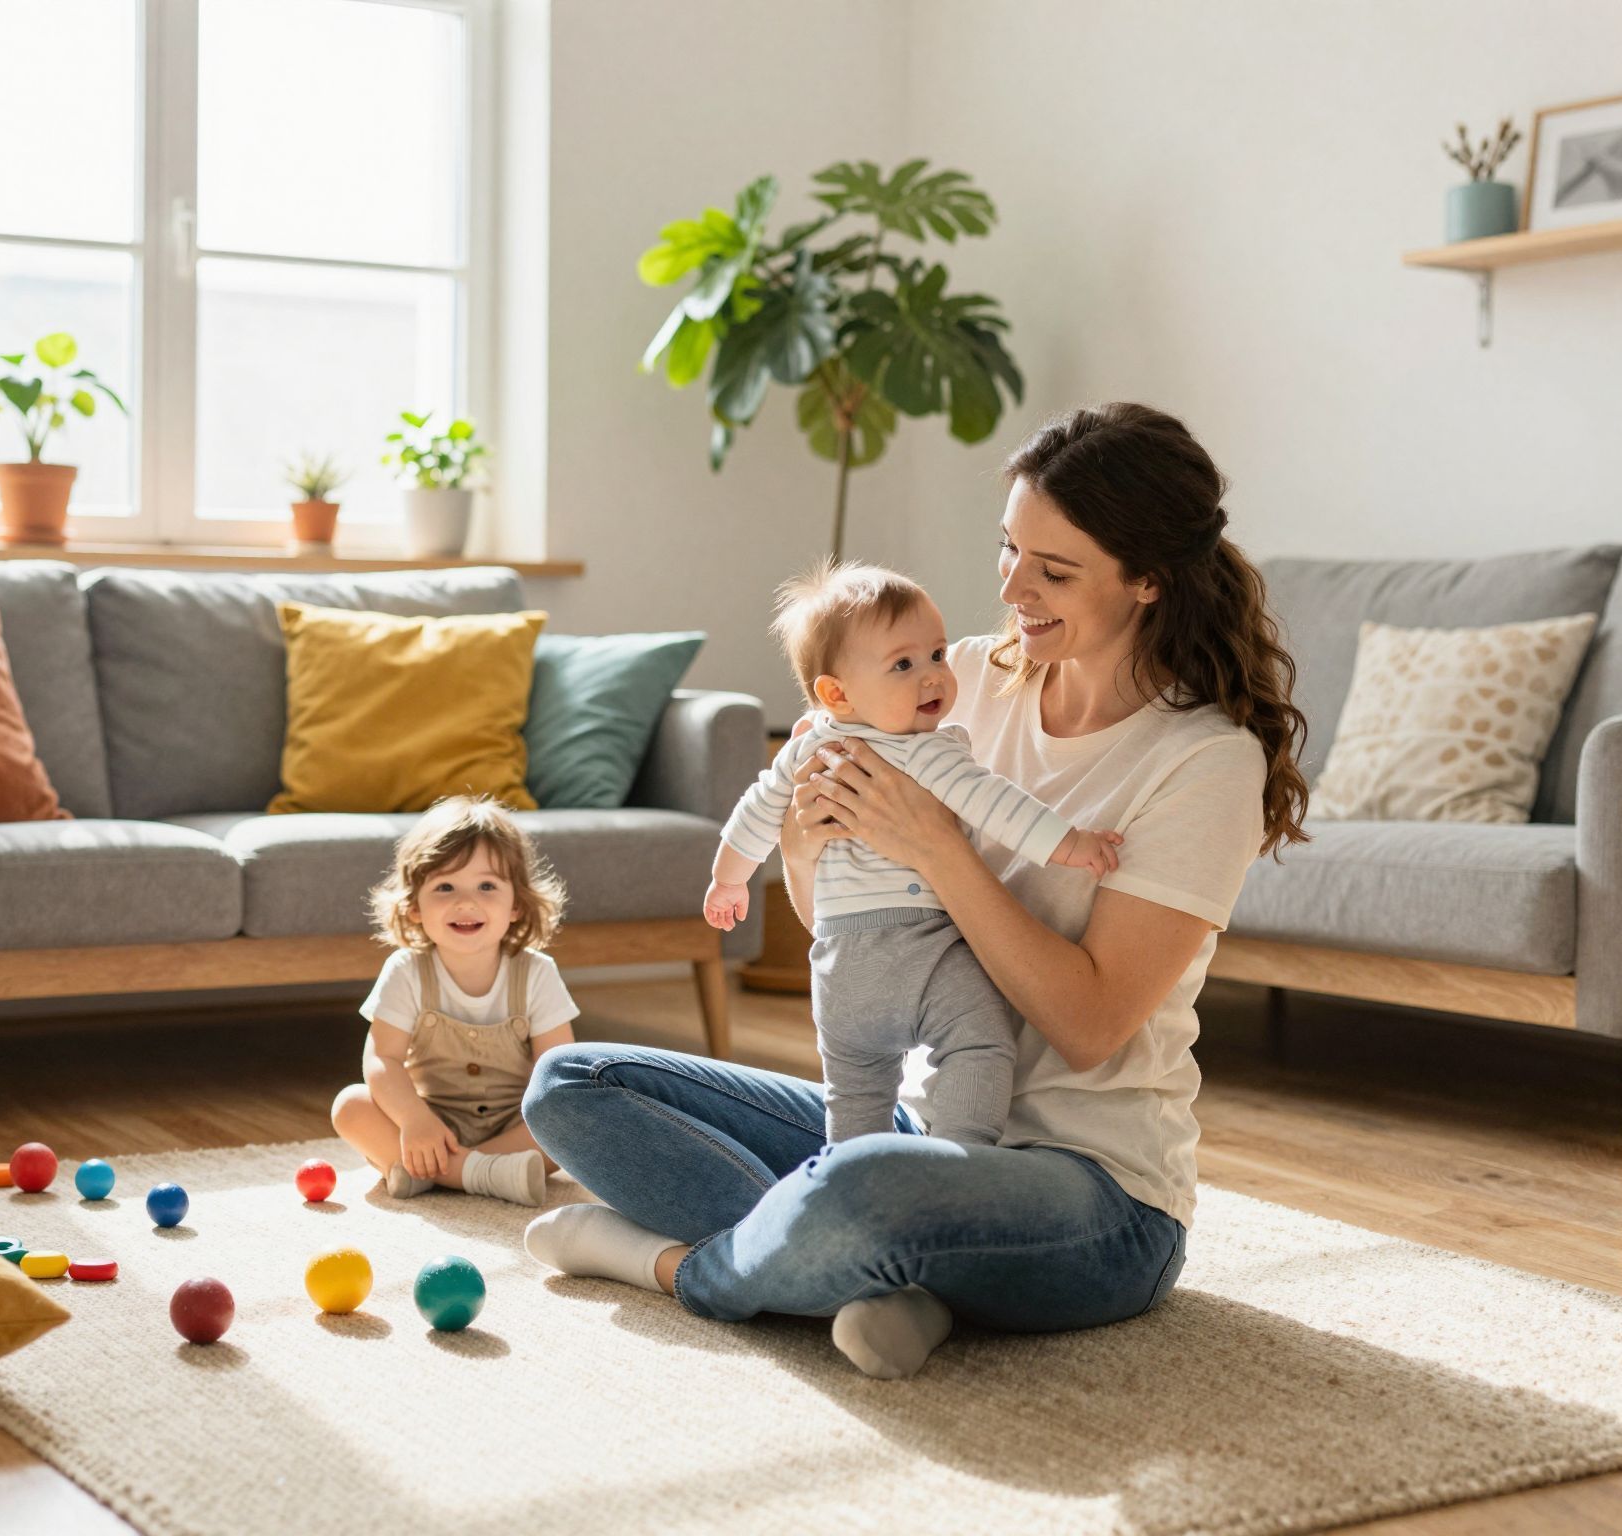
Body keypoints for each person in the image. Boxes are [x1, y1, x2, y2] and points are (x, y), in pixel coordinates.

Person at [523, 402, 1309, 1379]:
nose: (1012, 587)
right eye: (1006, 548)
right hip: (921, 1127)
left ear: (1147, 580)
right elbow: (849, 930)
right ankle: (896, 1288)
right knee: (572, 1084)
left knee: (864, 1186)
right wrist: (807, 843)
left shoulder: (1200, 761)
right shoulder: (956, 681)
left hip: (1096, 1203)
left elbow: (1091, 1022)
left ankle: (681, 1268)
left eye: (1053, 570)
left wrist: (940, 849)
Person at [706, 557, 1121, 1145]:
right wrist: (1070, 843)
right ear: (835, 692)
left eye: (937, 655)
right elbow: (997, 803)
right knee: (979, 1045)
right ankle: (960, 1155)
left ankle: (849, 1171)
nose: (932, 677)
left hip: (839, 966)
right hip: (926, 951)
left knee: (854, 1093)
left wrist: (728, 880)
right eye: (903, 664)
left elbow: (755, 811)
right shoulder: (927, 753)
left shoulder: (808, 750)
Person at [330, 796, 579, 1207]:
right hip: (431, 1122)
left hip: (514, 1125)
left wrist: (548, 1124)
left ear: (516, 904)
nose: (466, 903)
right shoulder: (406, 970)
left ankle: (432, 1174)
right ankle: (481, 1175)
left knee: (576, 1120)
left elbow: (557, 1071)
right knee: (350, 1106)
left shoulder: (537, 972)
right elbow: (382, 1060)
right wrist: (414, 1120)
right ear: (413, 906)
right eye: (445, 887)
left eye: (486, 886)